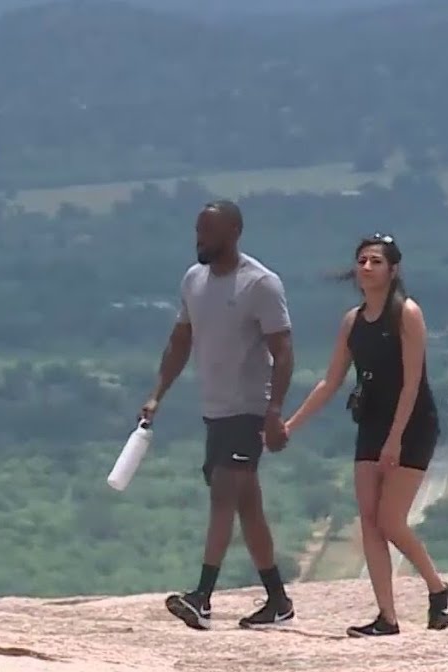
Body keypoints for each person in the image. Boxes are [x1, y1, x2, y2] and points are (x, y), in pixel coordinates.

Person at [282, 232, 448, 636]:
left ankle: (438, 587)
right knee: (369, 520)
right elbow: (329, 382)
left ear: (393, 270)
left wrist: (396, 437)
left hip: (412, 423)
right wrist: (291, 425)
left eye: (376, 261)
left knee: (391, 520)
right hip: (371, 422)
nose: (366, 267)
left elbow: (413, 382)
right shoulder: (353, 322)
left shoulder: (406, 314)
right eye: (362, 260)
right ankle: (387, 616)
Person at [142, 199, 296, 631]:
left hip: (248, 409)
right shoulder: (194, 281)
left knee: (224, 494)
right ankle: (278, 601)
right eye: (197, 231)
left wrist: (274, 410)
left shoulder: (260, 284)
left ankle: (202, 597)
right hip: (215, 410)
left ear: (232, 233)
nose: (199, 240)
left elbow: (283, 352)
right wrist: (157, 394)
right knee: (248, 507)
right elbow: (179, 341)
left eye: (206, 232)